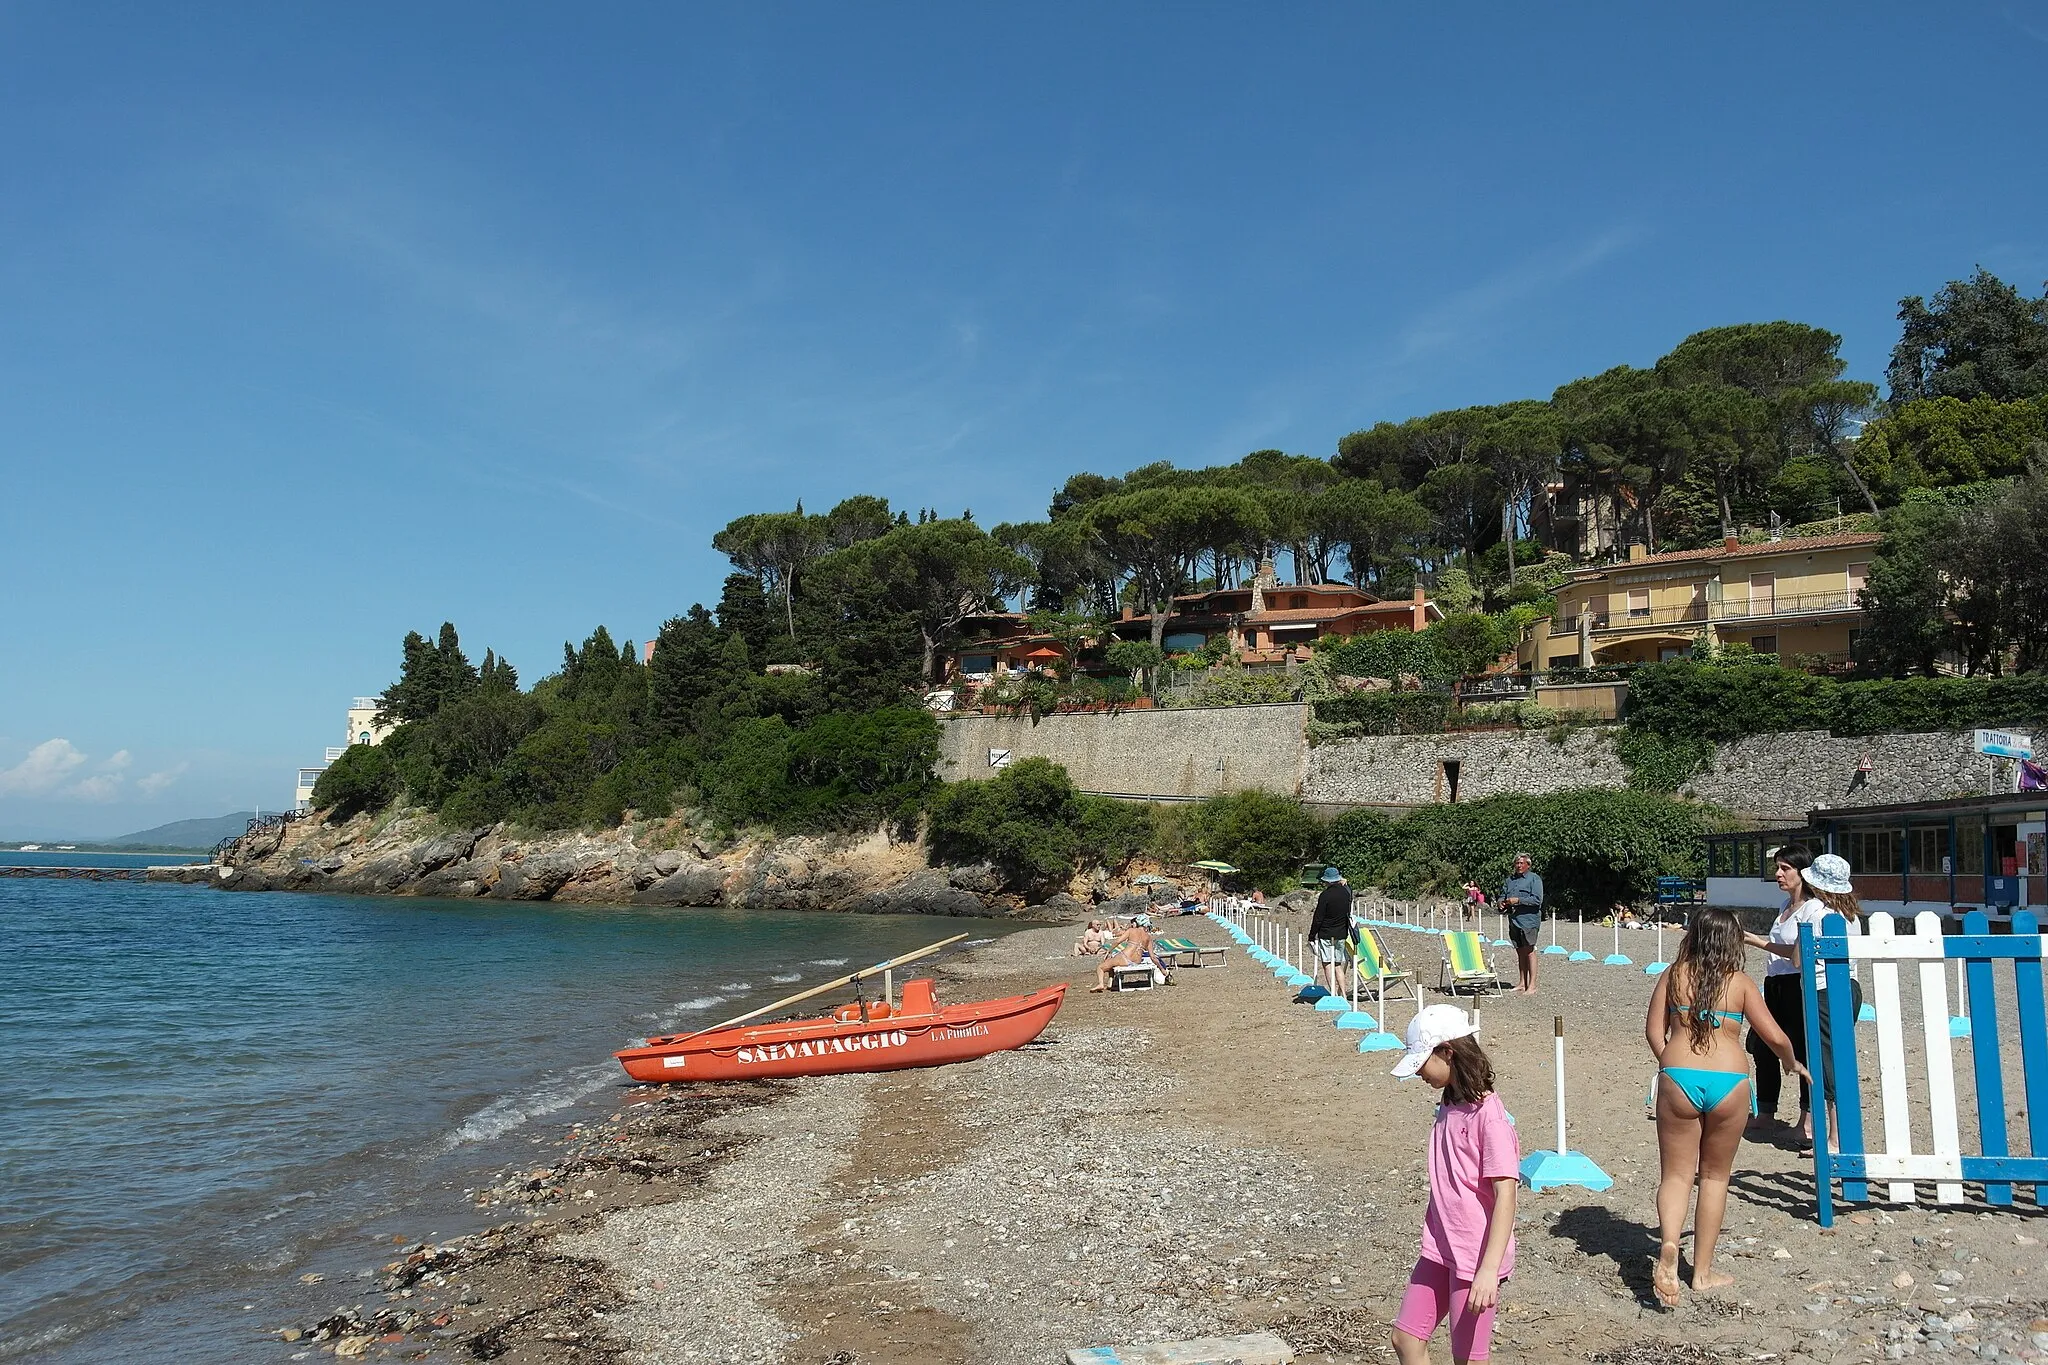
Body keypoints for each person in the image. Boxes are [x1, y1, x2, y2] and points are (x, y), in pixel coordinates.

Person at [1645, 907, 1807, 1307]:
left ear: (1694, 935)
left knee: (1677, 1175)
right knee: (1715, 1178)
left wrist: (1670, 1062)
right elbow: (1776, 1036)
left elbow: (1652, 1030)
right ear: (1733, 941)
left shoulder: (1673, 973)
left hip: (1679, 1074)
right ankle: (1701, 1273)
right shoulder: (1741, 984)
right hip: (1730, 1081)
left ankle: (1668, 1244)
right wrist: (1791, 1063)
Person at [1387, 1005, 1519, 1365]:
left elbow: (1506, 1193)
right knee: (1406, 1339)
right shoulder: (1450, 1102)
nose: (1419, 1074)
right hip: (1441, 1244)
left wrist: (1488, 1270)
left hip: (1476, 1257)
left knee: (1469, 1358)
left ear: (1448, 1052)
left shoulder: (1489, 1118)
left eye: (1422, 1062)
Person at [1742, 851, 1864, 1151]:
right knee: (1827, 1060)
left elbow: (1799, 958)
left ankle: (1834, 1137)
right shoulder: (1845, 914)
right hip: (1835, 987)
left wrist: (1760, 942)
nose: (1780, 874)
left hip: (1823, 990)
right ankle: (1830, 1133)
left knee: (1825, 1062)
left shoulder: (1820, 913)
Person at [1500, 853, 1544, 994]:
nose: (1519, 866)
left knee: (1530, 950)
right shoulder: (1510, 880)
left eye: (1521, 863)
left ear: (1528, 865)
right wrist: (1501, 902)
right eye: (1517, 863)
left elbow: (1537, 900)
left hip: (1529, 920)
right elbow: (1502, 894)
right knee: (1519, 951)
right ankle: (1522, 982)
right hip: (1514, 920)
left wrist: (1518, 900)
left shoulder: (1534, 879)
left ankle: (1532, 985)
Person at [1308, 866, 1355, 999]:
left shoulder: (1325, 895)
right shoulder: (1346, 894)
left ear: (1327, 881)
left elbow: (1318, 917)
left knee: (1327, 964)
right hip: (1341, 932)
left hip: (1326, 933)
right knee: (1338, 964)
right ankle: (1344, 994)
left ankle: (1333, 994)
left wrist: (1312, 935)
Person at [1090, 914, 1156, 992]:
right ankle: (1110, 982)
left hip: (1125, 958)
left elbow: (1118, 941)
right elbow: (1153, 957)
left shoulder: (1131, 930)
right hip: (1137, 961)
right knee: (1112, 961)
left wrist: (1109, 950)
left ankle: (1101, 984)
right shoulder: (1148, 937)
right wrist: (1163, 971)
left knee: (1100, 967)